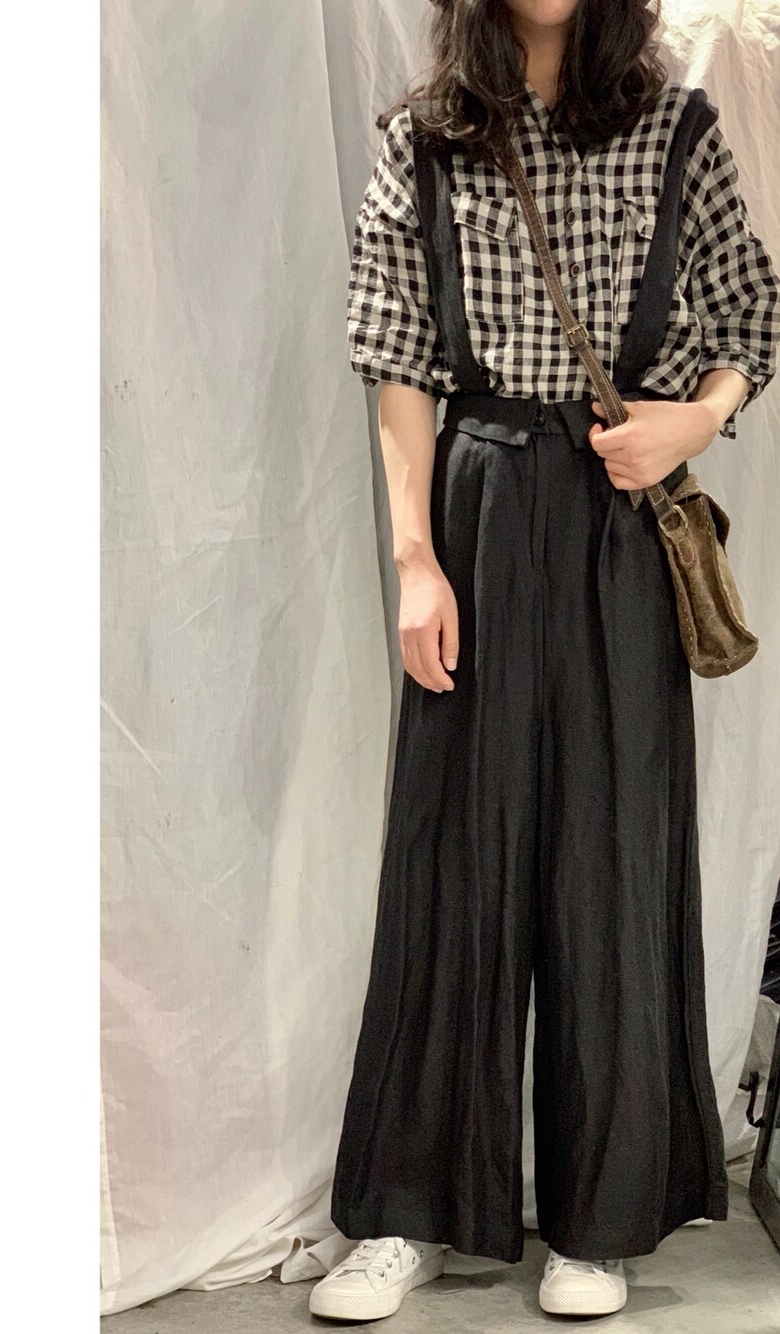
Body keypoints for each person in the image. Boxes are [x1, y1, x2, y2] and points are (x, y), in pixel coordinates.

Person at [309, 0, 780, 1322]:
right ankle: (410, 1211)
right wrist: (416, 558)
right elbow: (398, 352)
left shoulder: (671, 124)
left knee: (610, 855)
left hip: (620, 515)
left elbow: (752, 309)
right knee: (453, 855)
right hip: (478, 501)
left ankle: (597, 1219)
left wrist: (692, 421)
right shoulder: (429, 135)